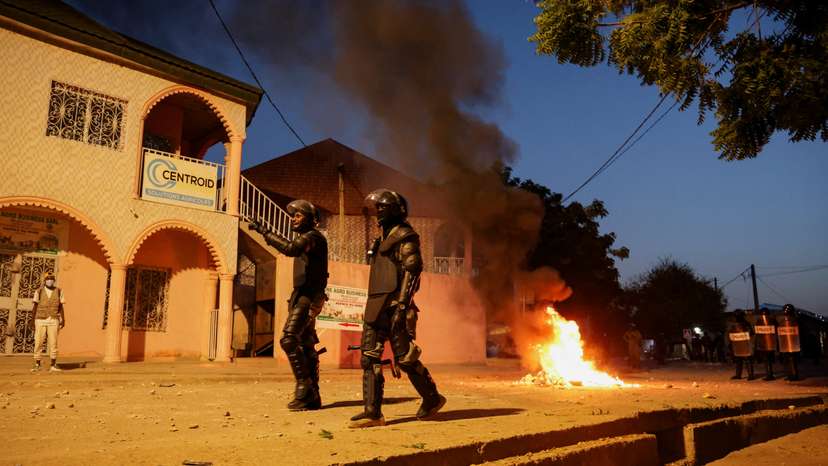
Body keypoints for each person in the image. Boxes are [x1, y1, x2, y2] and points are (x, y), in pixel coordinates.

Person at [349, 189, 445, 428]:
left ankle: (432, 398)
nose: (378, 211)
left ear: (396, 210)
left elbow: (412, 271)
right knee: (369, 358)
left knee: (405, 359)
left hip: (395, 306)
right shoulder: (381, 238)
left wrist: (402, 305)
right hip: (376, 305)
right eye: (377, 207)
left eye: (382, 207)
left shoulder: (405, 236)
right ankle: (373, 413)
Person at [250, 199, 328, 410]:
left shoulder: (313, 238)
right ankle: (313, 398)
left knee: (289, 338)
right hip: (302, 295)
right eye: (293, 215)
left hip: (309, 296)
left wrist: (265, 232)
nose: (293, 218)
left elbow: (290, 248)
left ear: (311, 220)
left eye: (299, 215)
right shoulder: (309, 239)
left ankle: (305, 387)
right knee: (305, 344)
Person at [31, 271, 64, 372]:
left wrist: (63, 319)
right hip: (40, 319)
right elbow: (35, 306)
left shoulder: (59, 291)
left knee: (53, 342)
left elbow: (61, 306)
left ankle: (53, 364)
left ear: (54, 280)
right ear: (45, 281)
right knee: (39, 342)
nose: (49, 280)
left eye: (51, 279)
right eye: (48, 279)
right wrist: (32, 321)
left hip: (53, 319)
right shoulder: (39, 291)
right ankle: (37, 364)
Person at [776, 304, 801, 381]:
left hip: (792, 343)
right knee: (788, 360)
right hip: (787, 343)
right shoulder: (785, 321)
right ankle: (790, 375)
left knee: (791, 360)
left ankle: (793, 375)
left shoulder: (795, 320)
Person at [729, 310, 755, 380]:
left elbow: (751, 333)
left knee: (747, 360)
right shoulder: (734, 325)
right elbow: (731, 334)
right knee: (738, 360)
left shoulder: (746, 324)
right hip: (737, 345)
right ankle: (738, 375)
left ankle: (750, 375)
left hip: (745, 344)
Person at [753, 307, 777, 380]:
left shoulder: (759, 321)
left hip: (764, 344)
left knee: (767, 360)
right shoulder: (772, 320)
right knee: (768, 359)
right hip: (770, 344)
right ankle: (769, 374)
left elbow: (756, 333)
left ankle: (769, 375)